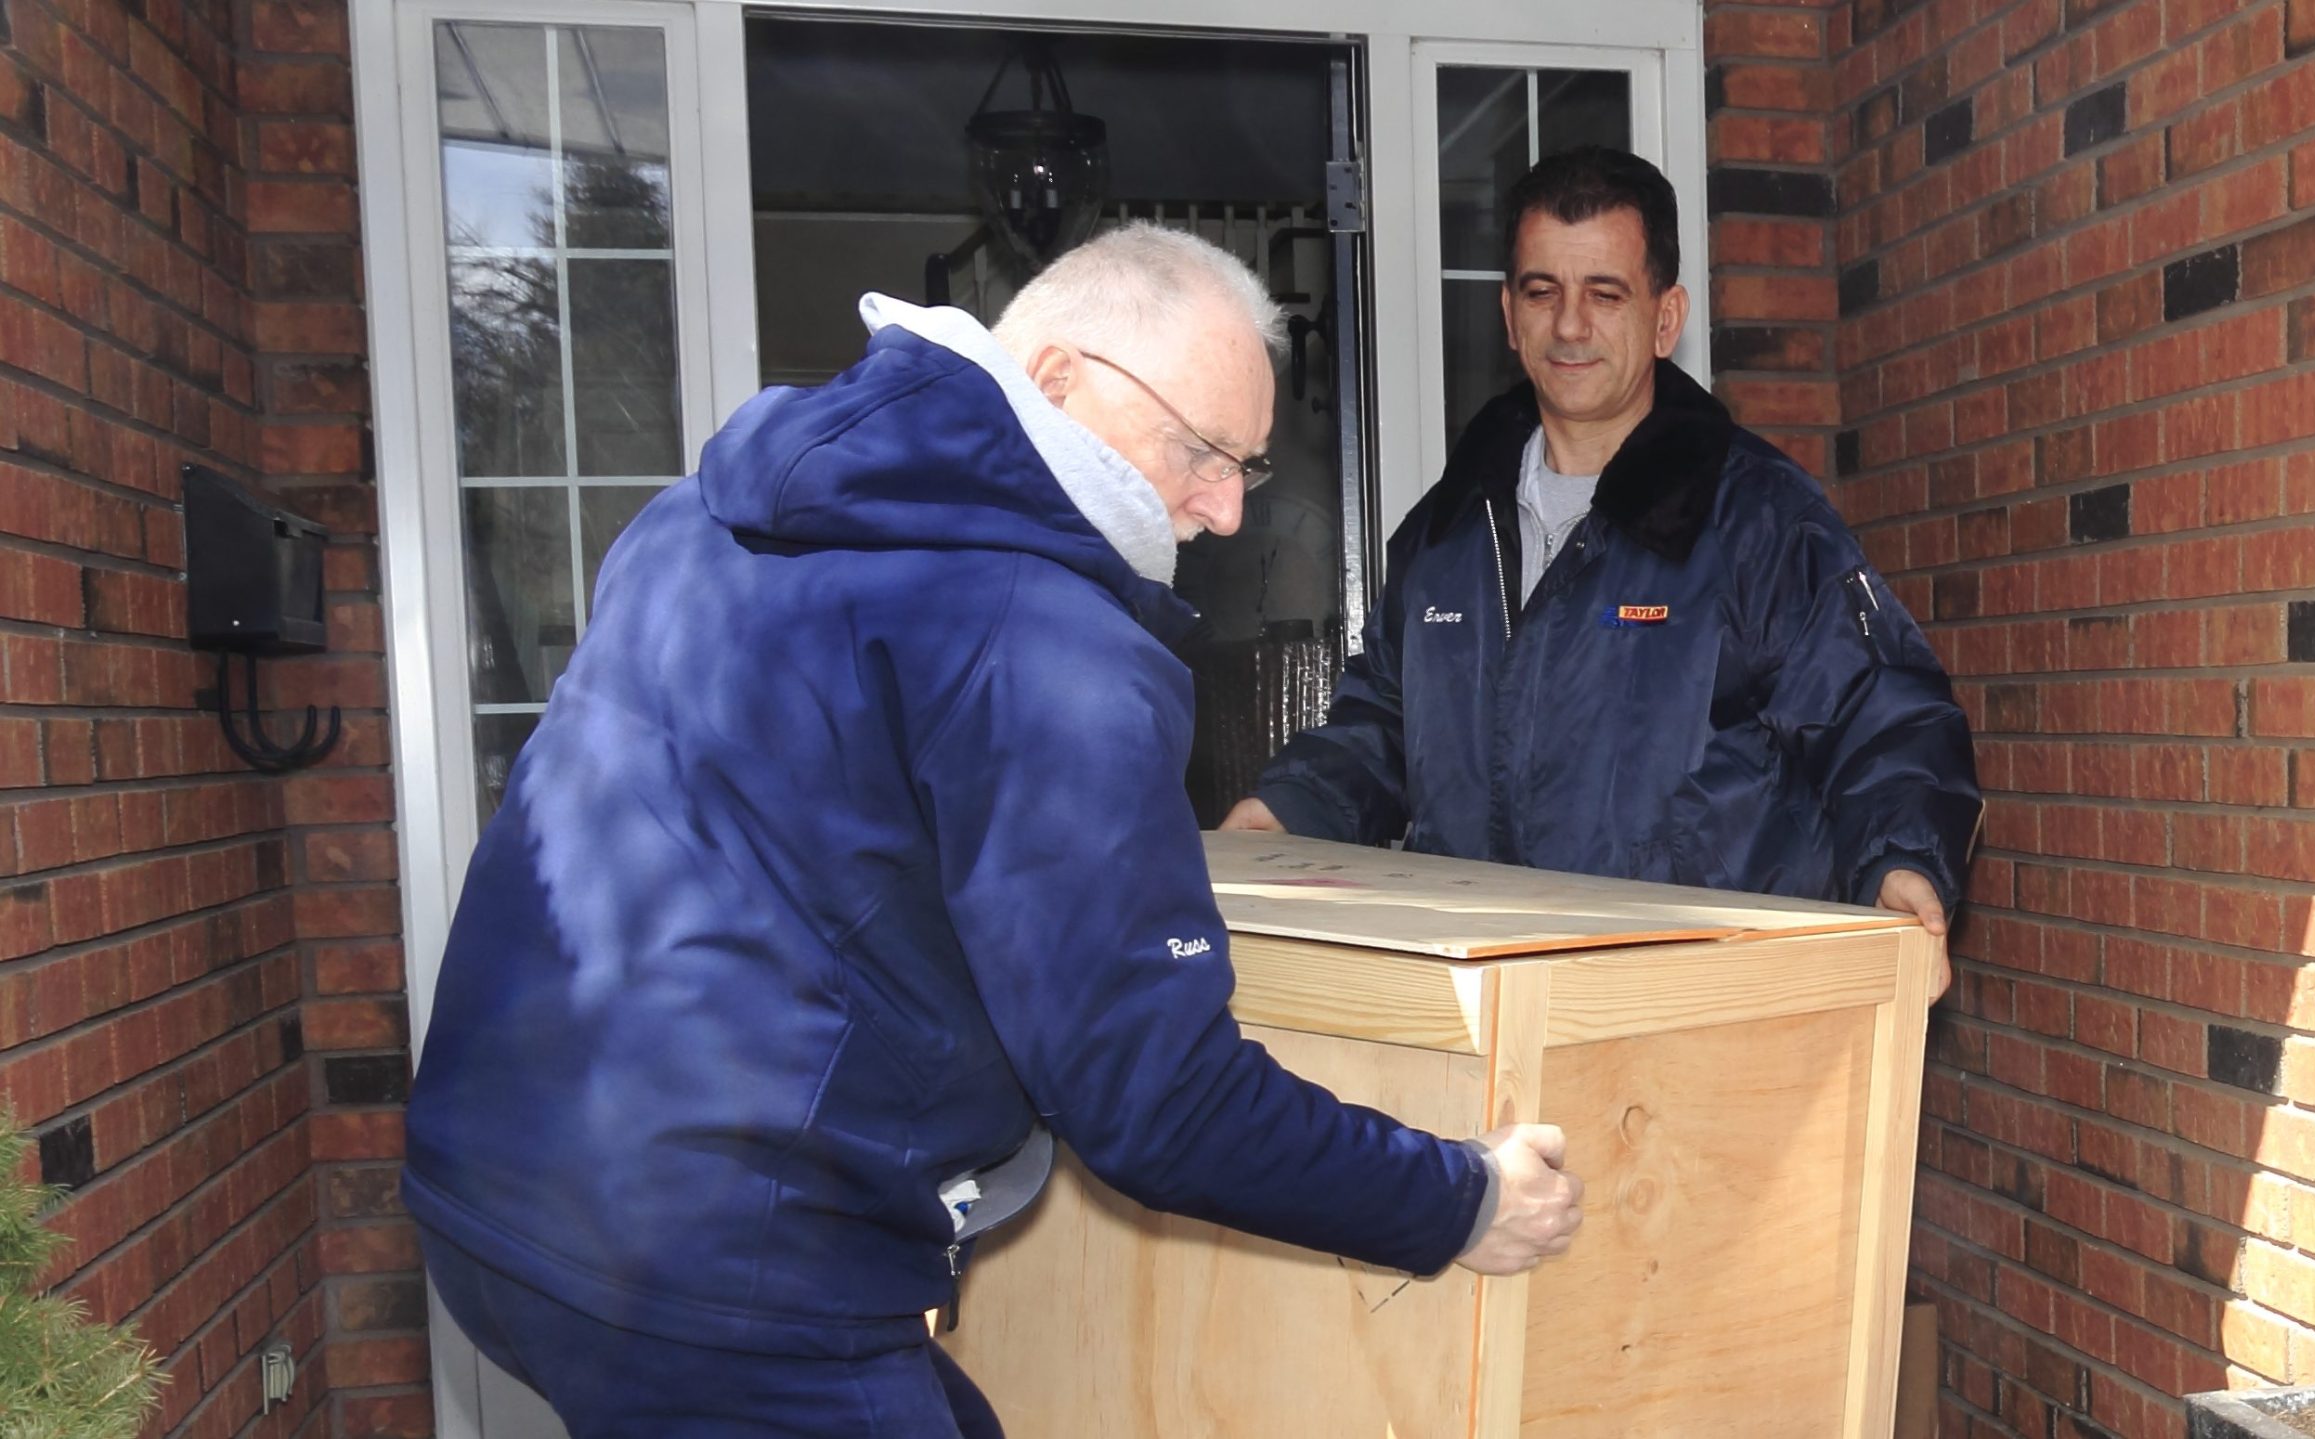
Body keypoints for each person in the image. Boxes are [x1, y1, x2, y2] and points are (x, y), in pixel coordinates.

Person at [401, 224, 1582, 1439]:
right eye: (1201, 451)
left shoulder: (697, 518)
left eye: (1248, 467)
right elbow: (1156, 1100)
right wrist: (1459, 1201)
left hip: (496, 1197)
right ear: (1059, 377)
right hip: (727, 1272)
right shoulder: (1049, 646)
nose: (1222, 511)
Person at [1224, 148, 1980, 997]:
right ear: (1510, 315)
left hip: (1693, 1016)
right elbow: (1385, 730)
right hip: (1485, 1009)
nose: (1570, 326)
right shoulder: (1444, 535)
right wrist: (1285, 811)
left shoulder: (1757, 520)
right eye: (1543, 292)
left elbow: (1883, 717)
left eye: (1605, 294)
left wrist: (1904, 860)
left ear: (1666, 318)